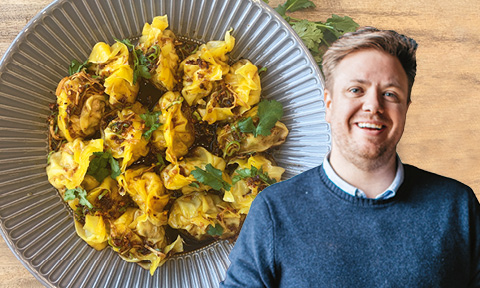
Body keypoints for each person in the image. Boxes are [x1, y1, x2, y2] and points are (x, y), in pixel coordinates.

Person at [220, 27, 480, 287]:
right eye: (356, 90)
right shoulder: (273, 211)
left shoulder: (457, 206)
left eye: (390, 94)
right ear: (329, 105)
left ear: (406, 108)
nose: (373, 106)